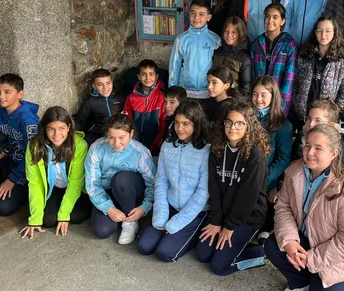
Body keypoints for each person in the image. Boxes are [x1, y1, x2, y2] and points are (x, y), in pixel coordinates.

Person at [265, 124, 344, 291]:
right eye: (307, 145)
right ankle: (301, 281)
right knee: (272, 245)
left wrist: (311, 259)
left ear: (334, 154)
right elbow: (283, 206)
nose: (310, 152)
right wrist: (289, 240)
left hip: (338, 256)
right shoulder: (294, 170)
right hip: (307, 240)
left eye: (318, 148)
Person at [197, 101, 270, 275]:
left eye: (239, 123)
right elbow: (213, 187)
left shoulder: (255, 156)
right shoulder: (218, 148)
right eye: (229, 122)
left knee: (219, 267)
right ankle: (230, 243)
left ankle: (259, 253)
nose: (233, 128)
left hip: (246, 216)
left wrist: (229, 226)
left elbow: (247, 198)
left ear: (248, 126)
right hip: (222, 212)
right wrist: (215, 220)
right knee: (203, 254)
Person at [137, 101, 210, 262]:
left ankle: (192, 235)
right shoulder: (168, 146)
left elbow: (203, 191)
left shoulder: (206, 150)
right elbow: (161, 180)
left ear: (196, 124)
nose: (179, 128)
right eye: (176, 123)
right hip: (169, 205)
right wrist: (161, 214)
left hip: (194, 212)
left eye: (186, 124)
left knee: (165, 253)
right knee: (144, 246)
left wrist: (177, 223)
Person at [19, 106, 91, 239]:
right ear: (45, 129)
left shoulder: (79, 145)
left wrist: (64, 215)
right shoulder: (34, 146)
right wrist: (35, 218)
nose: (57, 135)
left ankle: (67, 209)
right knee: (48, 221)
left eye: (62, 128)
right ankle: (53, 209)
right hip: (52, 188)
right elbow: (35, 183)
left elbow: (75, 182)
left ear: (69, 127)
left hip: (75, 189)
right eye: (51, 129)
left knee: (76, 216)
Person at [85, 114, 156, 244]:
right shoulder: (97, 148)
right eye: (111, 137)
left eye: (122, 137)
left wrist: (144, 207)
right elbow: (92, 183)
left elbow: (153, 183)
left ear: (131, 133)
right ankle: (119, 214)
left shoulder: (140, 152)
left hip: (130, 190)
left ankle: (130, 221)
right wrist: (109, 208)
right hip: (108, 193)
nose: (116, 143)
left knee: (120, 178)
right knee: (103, 231)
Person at [250, 76, 292, 243]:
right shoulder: (247, 117)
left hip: (266, 177)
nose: (258, 99)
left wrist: (264, 178)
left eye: (263, 95)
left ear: (273, 96)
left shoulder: (282, 124)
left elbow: (283, 158)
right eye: (255, 94)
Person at [292, 16, 344, 125]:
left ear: (335, 32)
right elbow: (295, 81)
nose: (323, 35)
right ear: (315, 33)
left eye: (327, 31)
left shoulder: (343, 61)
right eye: (319, 30)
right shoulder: (305, 55)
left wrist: (333, 113)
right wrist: (296, 102)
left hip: (326, 120)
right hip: (302, 116)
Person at [0, 73, 40, 216]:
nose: (1, 96)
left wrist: (12, 180)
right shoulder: (1, 113)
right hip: (11, 161)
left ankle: (26, 192)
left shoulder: (27, 119)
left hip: (27, 169)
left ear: (20, 94)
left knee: (3, 209)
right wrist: (2, 149)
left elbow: (34, 155)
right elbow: (1, 137)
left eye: (7, 92)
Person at [169, 0, 221, 100]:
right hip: (185, 92)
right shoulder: (181, 39)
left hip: (208, 92)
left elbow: (218, 67)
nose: (196, 17)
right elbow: (175, 66)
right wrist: (172, 91)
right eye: (193, 13)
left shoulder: (215, 40)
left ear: (209, 17)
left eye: (201, 14)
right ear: (189, 15)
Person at [251, 3, 297, 114]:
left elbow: (289, 79)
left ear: (282, 21)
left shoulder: (289, 44)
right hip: (259, 100)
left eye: (275, 17)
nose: (270, 20)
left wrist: (282, 109)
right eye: (267, 16)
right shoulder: (257, 43)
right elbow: (253, 75)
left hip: (278, 101)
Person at [122, 59, 166, 153]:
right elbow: (127, 121)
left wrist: (155, 145)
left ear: (157, 76)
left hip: (156, 145)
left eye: (151, 74)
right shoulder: (131, 97)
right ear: (138, 76)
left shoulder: (162, 96)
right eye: (143, 74)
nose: (147, 78)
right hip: (135, 144)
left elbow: (164, 124)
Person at [74, 68, 125, 147]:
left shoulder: (120, 96)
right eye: (100, 84)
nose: (105, 88)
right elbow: (81, 121)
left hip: (117, 134)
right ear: (94, 86)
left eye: (108, 83)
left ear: (112, 83)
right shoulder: (90, 102)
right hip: (97, 135)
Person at [296, 99, 344, 165]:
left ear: (331, 125)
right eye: (309, 119)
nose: (311, 124)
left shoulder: (338, 145)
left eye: (318, 120)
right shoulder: (301, 136)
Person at [213, 17, 252, 96]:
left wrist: (236, 102)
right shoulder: (217, 51)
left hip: (233, 101)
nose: (229, 35)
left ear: (240, 34)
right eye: (226, 31)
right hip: (215, 97)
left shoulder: (244, 58)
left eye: (234, 32)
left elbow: (246, 88)